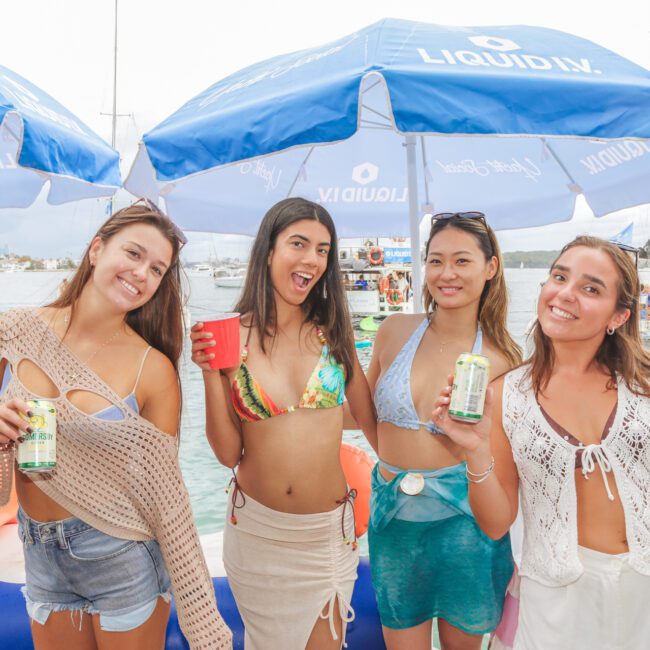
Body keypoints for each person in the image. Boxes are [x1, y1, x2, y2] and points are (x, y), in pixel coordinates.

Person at [0, 200, 231, 650]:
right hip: (39, 551)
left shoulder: (153, 369)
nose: (142, 273)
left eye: (158, 269)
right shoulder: (13, 331)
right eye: (133, 254)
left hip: (120, 553)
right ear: (96, 249)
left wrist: (204, 624)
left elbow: (169, 502)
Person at [436, 236, 650, 650]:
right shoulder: (504, 396)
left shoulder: (642, 386)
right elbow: (497, 523)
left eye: (591, 289)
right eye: (559, 276)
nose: (565, 294)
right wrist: (475, 450)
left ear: (619, 315)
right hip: (557, 603)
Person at [190, 197, 376, 650]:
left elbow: (374, 424)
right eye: (299, 243)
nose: (312, 259)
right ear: (269, 251)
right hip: (257, 534)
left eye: (322, 249)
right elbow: (228, 454)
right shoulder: (232, 336)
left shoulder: (334, 332)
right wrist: (210, 374)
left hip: (325, 537)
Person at [365, 212, 521, 650]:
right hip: (393, 517)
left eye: (461, 261)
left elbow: (498, 465)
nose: (446, 274)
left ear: (490, 268)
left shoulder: (506, 359)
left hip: (465, 523)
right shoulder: (394, 330)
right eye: (435, 261)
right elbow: (359, 413)